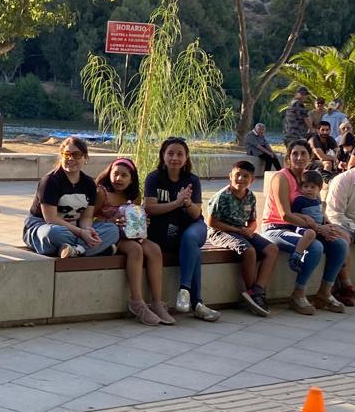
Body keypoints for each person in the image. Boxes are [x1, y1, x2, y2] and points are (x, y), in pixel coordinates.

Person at [260, 139, 349, 315]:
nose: (299, 157)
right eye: (295, 154)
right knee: (314, 247)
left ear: (310, 157)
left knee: (339, 244)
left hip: (303, 228)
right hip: (277, 227)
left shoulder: (310, 178)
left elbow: (317, 208)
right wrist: (318, 229)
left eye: (303, 154)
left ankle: (324, 293)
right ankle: (298, 294)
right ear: (288, 158)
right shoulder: (281, 178)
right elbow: (285, 215)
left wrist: (328, 226)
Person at [144, 137, 219, 321]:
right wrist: (177, 202)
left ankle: (184, 290)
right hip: (168, 230)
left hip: (193, 226)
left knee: (190, 238)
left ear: (186, 157)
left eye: (180, 154)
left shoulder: (192, 180)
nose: (175, 158)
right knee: (193, 250)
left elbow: (196, 214)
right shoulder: (154, 178)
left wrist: (187, 203)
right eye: (170, 153)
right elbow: (150, 208)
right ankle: (198, 304)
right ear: (163, 155)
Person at [94, 157, 174, 325]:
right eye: (115, 174)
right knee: (135, 250)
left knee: (154, 249)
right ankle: (137, 302)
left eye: (124, 175)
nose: (119, 178)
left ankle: (157, 302)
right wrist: (110, 221)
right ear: (109, 174)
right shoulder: (101, 193)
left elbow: (136, 216)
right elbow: (88, 218)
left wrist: (142, 222)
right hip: (110, 237)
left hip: (131, 234)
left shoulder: (134, 196)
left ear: (132, 179)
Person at [23, 137, 119, 259]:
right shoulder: (50, 181)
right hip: (44, 226)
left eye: (76, 155)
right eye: (66, 154)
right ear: (61, 156)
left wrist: (87, 230)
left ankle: (73, 250)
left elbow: (86, 217)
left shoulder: (89, 184)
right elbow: (51, 219)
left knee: (112, 230)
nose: (71, 158)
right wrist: (81, 233)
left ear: (86, 158)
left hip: (76, 227)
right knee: (53, 233)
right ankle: (91, 249)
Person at [206, 159, 279, 318]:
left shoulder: (250, 196)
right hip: (220, 232)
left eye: (245, 176)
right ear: (230, 176)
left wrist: (250, 230)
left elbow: (253, 221)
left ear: (252, 180)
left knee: (272, 249)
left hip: (241, 231)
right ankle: (251, 293)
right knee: (249, 250)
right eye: (237, 175)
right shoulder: (222, 196)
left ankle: (258, 290)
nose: (240, 179)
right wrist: (236, 230)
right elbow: (211, 222)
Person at [325, 147, 355, 303]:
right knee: (342, 239)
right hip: (344, 224)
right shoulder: (342, 181)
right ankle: (345, 287)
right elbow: (334, 214)